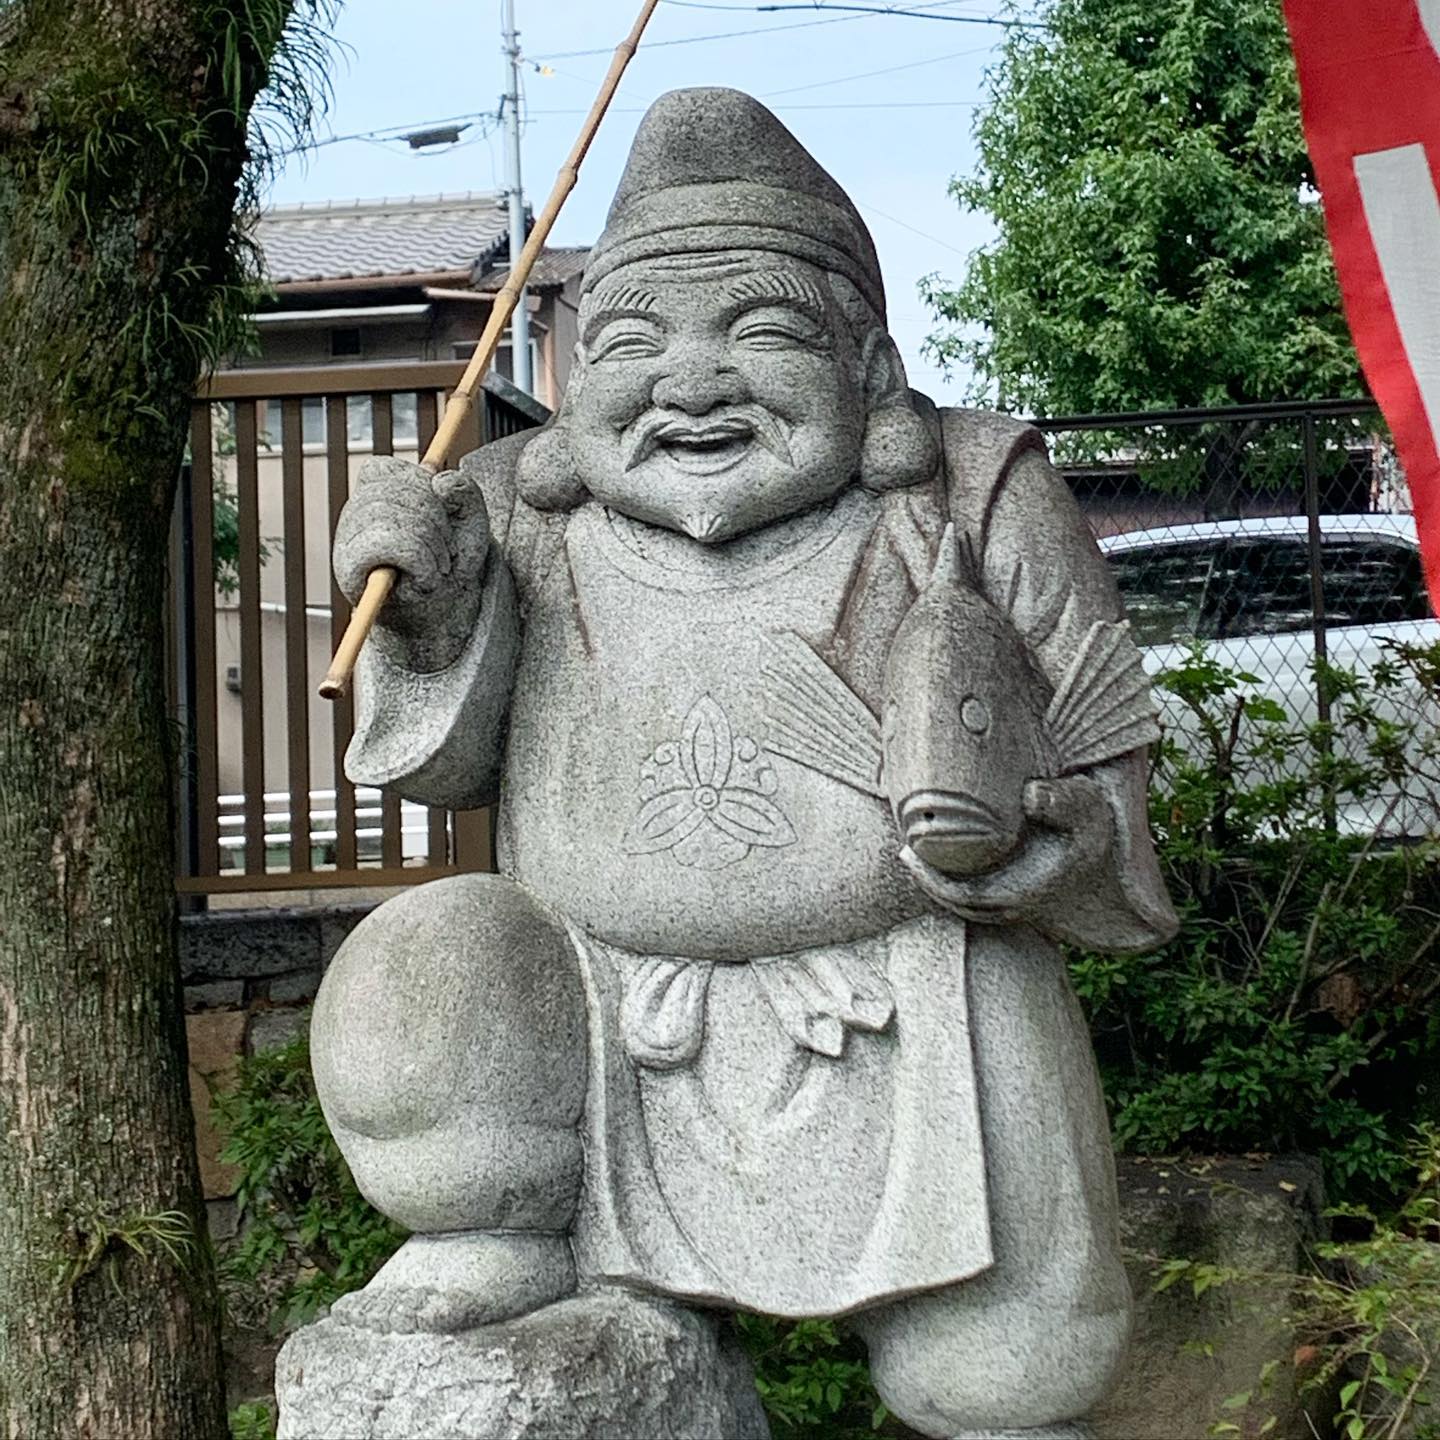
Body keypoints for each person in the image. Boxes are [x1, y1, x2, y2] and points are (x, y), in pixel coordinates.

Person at [313, 87, 1177, 1438]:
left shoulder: (974, 489)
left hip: (921, 1001)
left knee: (1006, 1377)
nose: (692, 383)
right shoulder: (513, 509)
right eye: (635, 343)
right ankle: (505, 1226)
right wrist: (419, 615)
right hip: (595, 1020)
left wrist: (1046, 840)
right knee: (432, 955)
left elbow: (1109, 791)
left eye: (761, 332)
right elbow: (433, 768)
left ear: (874, 373)